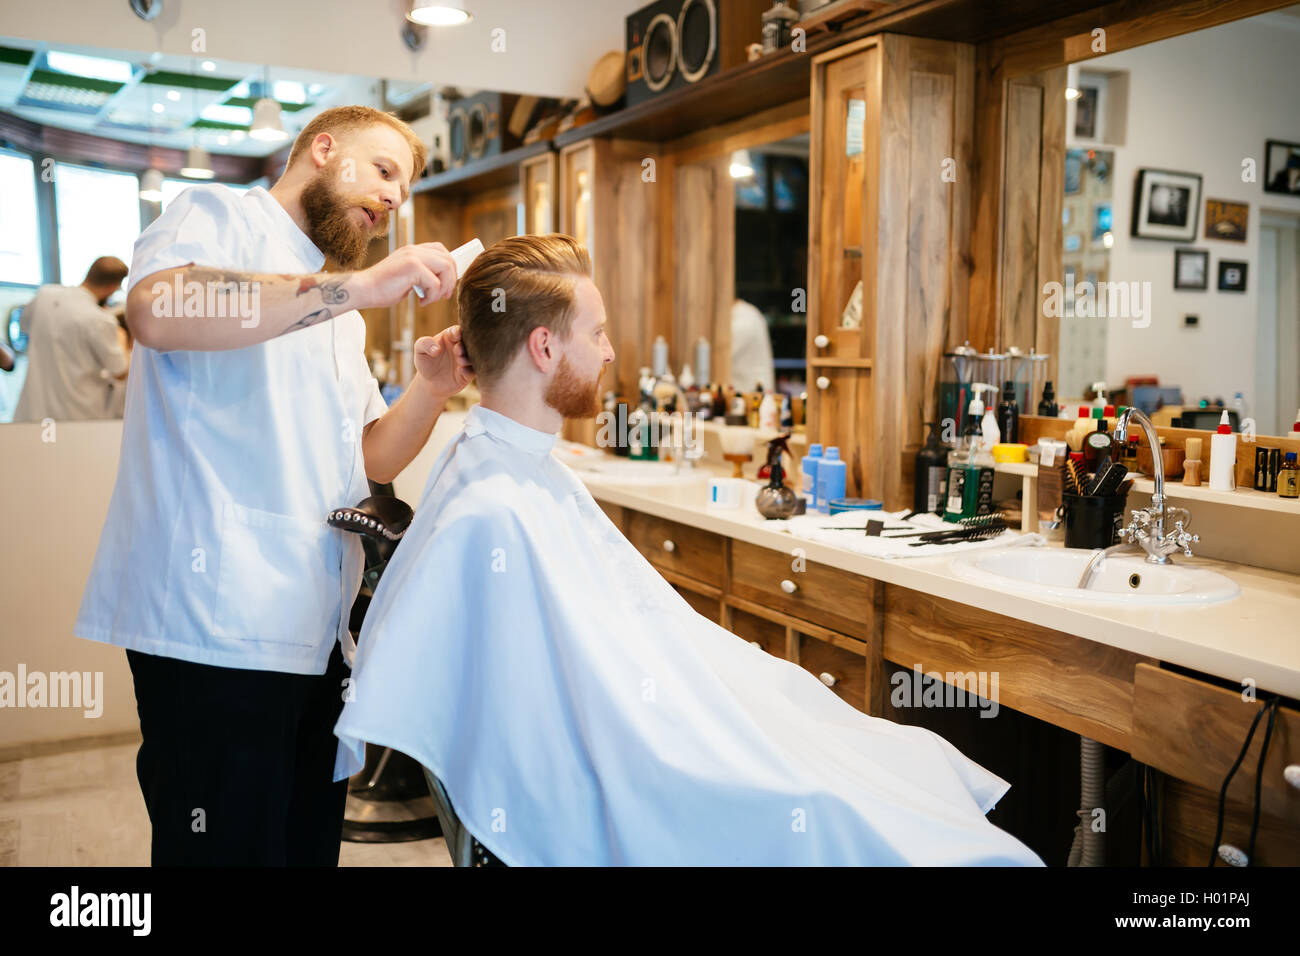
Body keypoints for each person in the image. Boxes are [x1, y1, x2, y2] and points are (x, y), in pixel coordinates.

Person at [333, 234, 1041, 866]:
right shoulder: (493, 507)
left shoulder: (504, 469)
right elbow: (567, 725)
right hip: (663, 764)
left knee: (864, 748)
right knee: (852, 804)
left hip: (681, 727)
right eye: (598, 332)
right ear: (544, 348)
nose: (610, 351)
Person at [74, 106, 474, 866]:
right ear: (323, 149)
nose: (395, 198)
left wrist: (429, 389)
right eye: (383, 170)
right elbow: (157, 311)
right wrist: (355, 288)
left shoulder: (338, 308)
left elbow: (369, 461)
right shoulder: (216, 214)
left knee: (301, 849)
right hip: (213, 627)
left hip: (313, 634)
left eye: (406, 187)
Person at [12, 257, 130, 422]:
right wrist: (122, 337)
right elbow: (119, 371)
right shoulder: (101, 320)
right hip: (78, 416)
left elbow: (24, 327)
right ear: (112, 288)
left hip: (33, 413)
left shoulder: (45, 295)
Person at [730, 297, 775, 394]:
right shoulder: (749, 313)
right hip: (747, 392)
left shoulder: (745, 319)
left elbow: (723, 353)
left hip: (752, 392)